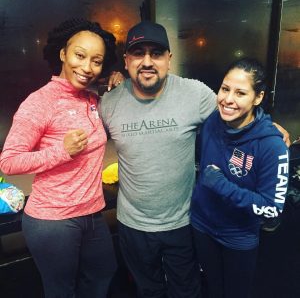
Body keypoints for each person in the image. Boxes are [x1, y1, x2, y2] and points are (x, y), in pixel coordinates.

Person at [0, 18, 122, 298]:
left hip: (92, 214)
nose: (86, 67)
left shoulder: (91, 99)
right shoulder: (39, 102)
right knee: (61, 291)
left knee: (104, 272)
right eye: (80, 55)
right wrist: (61, 152)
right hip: (52, 221)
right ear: (63, 54)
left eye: (96, 61)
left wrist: (120, 80)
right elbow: (9, 161)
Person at [101, 20, 217, 298]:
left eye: (156, 53)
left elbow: (237, 117)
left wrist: (268, 129)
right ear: (127, 60)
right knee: (147, 290)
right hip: (133, 225)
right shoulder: (109, 103)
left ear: (169, 58)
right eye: (138, 53)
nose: (147, 61)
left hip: (183, 222)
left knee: (187, 290)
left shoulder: (195, 94)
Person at [190, 58, 289, 298]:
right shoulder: (213, 121)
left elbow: (273, 210)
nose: (228, 99)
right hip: (202, 225)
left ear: (258, 98)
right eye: (225, 89)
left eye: (240, 93)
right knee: (212, 287)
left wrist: (222, 186)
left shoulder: (272, 146)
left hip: (238, 236)